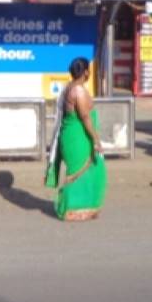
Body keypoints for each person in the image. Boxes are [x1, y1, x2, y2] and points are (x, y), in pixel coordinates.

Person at [45, 58, 106, 221]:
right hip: (78, 138)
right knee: (81, 172)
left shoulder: (69, 87)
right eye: (88, 70)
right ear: (85, 72)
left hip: (74, 136)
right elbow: (85, 117)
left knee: (91, 171)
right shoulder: (78, 91)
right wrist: (96, 139)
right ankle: (70, 209)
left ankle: (85, 208)